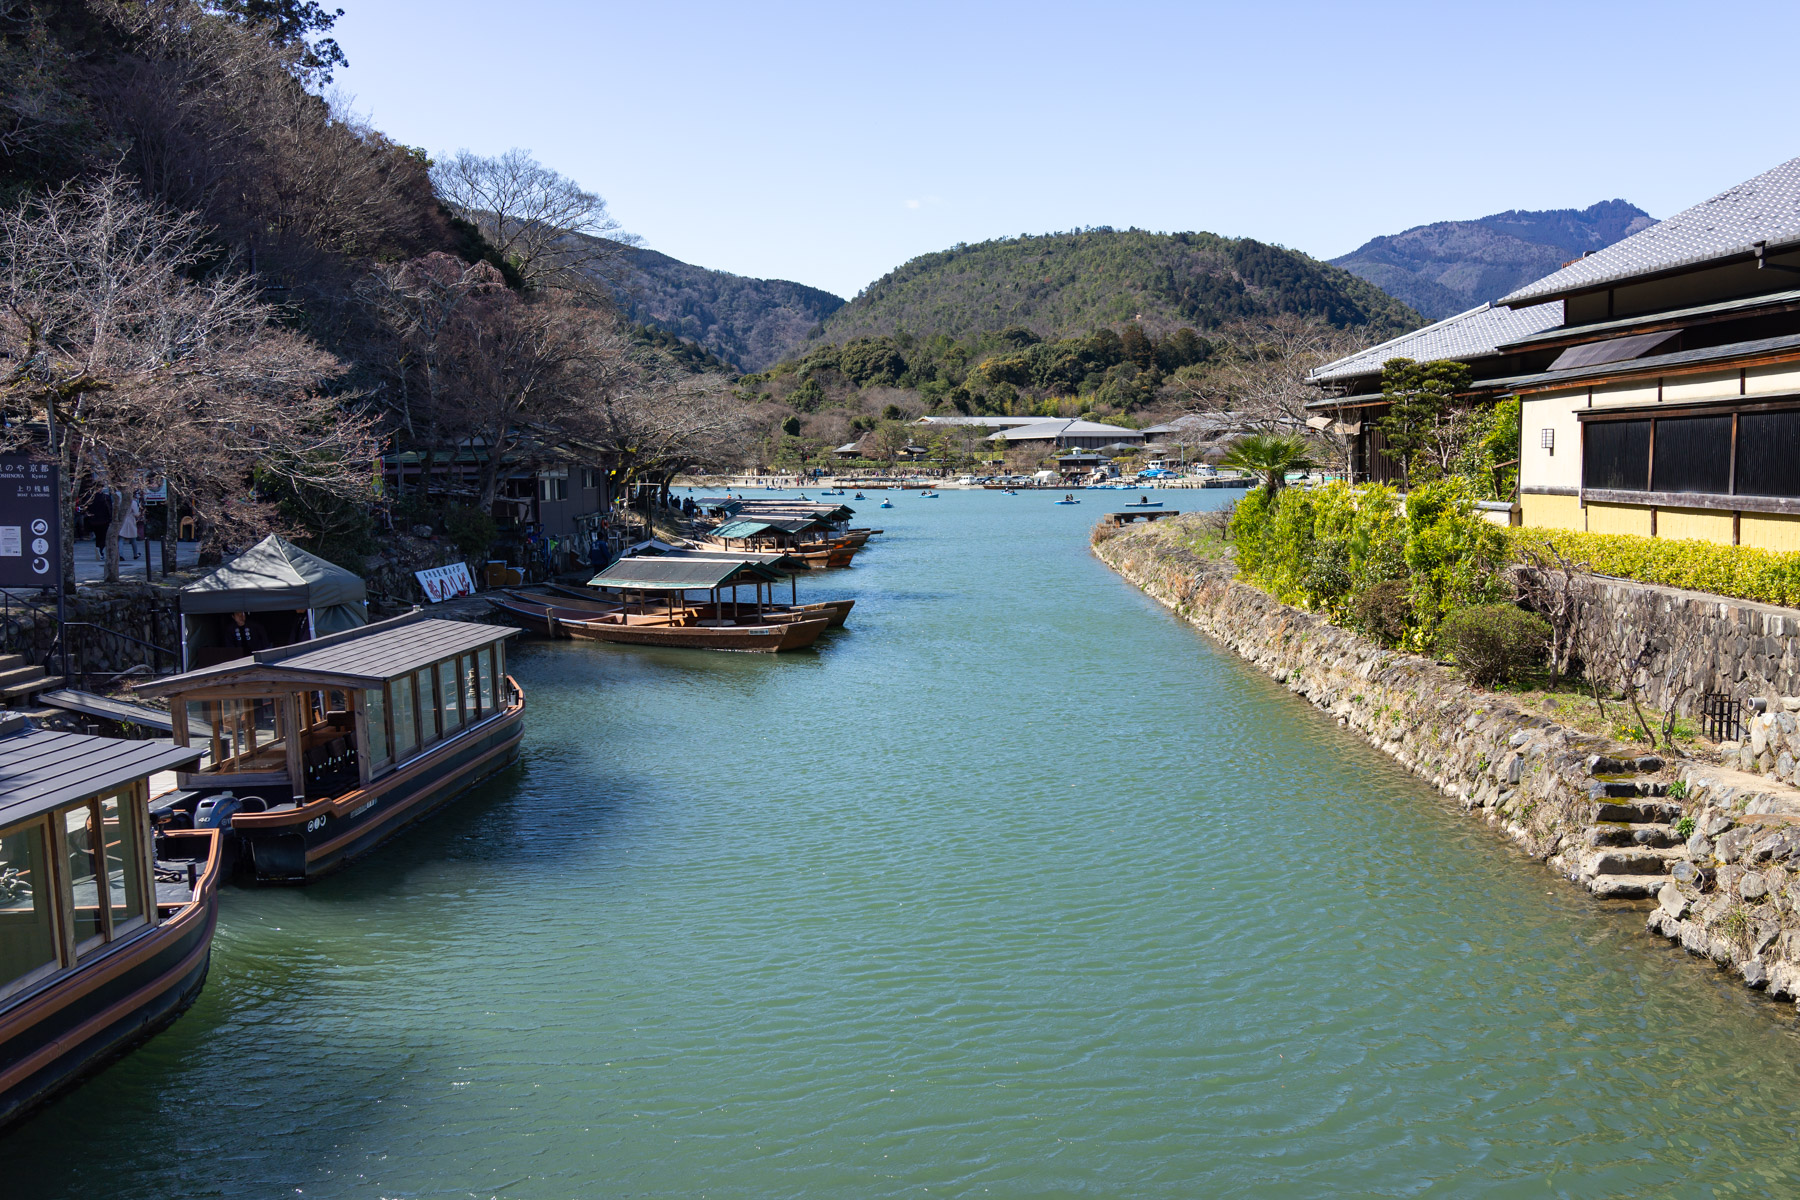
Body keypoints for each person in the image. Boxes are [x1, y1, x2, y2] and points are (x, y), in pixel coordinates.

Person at [118, 493, 143, 560]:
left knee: (121, 538)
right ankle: (135, 554)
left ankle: (120, 554)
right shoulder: (133, 502)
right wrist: (140, 513)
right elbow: (136, 514)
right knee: (133, 538)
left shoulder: (120, 502)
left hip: (122, 520)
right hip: (130, 521)